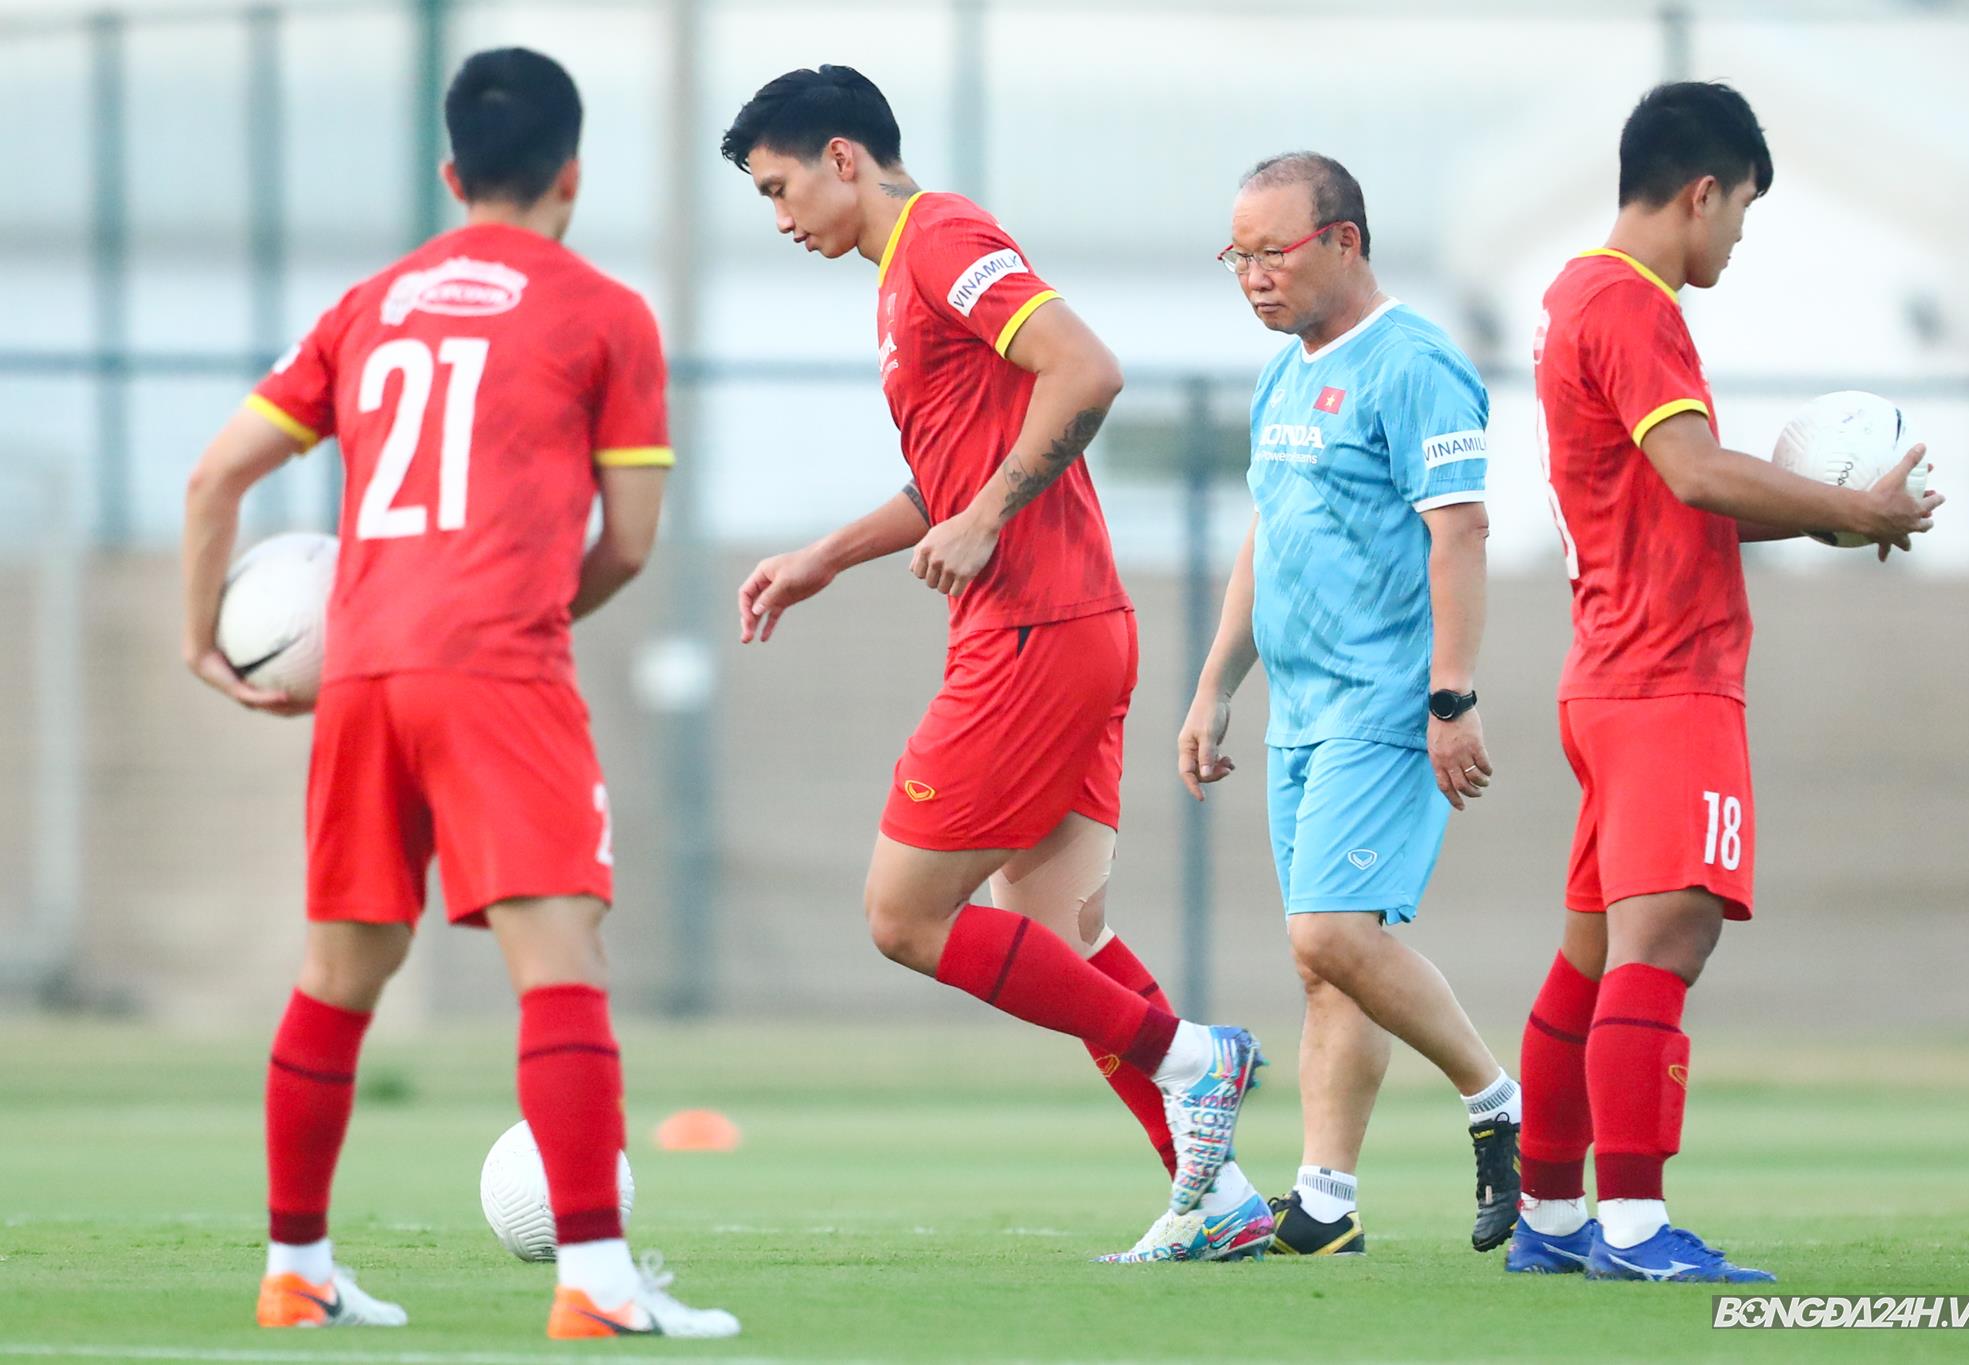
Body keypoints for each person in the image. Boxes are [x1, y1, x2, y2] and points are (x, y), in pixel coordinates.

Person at [180, 48, 738, 1338]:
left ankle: (295, 1270)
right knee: (558, 967)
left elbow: (214, 481)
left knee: (338, 973)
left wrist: (201, 645)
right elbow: (635, 541)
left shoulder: (370, 304)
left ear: (449, 173)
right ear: (573, 176)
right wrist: (529, 613)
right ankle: (596, 1287)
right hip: (498, 669)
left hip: (364, 671)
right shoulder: (605, 312)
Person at [718, 65, 1268, 1263]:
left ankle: (1194, 1059)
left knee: (902, 917)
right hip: (1072, 625)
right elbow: (947, 482)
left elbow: (1086, 368)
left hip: (1034, 631)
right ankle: (1216, 1196)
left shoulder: (941, 236)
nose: (778, 217)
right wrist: (827, 555)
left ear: (843, 158)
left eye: (778, 187)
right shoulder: (899, 278)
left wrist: (987, 520)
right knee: (1060, 939)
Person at [1508, 81, 1940, 1283]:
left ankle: (1547, 1221)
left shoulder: (1569, 296)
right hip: (1665, 678)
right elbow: (1695, 475)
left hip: (1605, 674)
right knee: (1669, 940)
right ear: (1700, 191)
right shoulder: (1631, 305)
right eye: (1740, 210)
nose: (1738, 237)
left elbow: (1666, 497)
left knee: (1589, 958)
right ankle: (1634, 1231)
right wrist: (1850, 505)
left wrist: (1824, 524)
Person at [1181, 152, 1522, 1259]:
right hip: (1299, 707)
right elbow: (1266, 538)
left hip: (1386, 700)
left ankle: (1492, 1101)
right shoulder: (1286, 374)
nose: (1250, 276)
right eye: (1235, 256)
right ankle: (1323, 1201)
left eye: (1270, 252)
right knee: (1327, 955)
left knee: (1327, 927)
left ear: (1343, 241)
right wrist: (1212, 687)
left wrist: (1450, 694)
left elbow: (1459, 530)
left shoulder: (1415, 363)